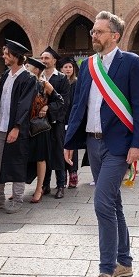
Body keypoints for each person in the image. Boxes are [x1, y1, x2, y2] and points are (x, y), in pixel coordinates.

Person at [65, 11, 139, 277]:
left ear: (114, 35)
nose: (94, 36)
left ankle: (106, 269)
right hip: (93, 142)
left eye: (99, 31)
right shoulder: (88, 65)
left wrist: (138, 144)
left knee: (102, 203)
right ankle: (124, 261)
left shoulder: (131, 63)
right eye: (93, 31)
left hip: (119, 145)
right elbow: (79, 105)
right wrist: (68, 143)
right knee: (114, 203)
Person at [0, 39, 37, 214]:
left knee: (16, 162)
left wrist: (17, 127)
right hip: (0, 127)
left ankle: (18, 199)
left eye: (7, 54)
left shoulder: (28, 78)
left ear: (15, 56)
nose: (4, 56)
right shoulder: (6, 75)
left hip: (15, 129)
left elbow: (25, 105)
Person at [25, 57, 63, 203]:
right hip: (25, 126)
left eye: (28, 66)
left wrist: (47, 107)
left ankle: (39, 189)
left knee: (40, 158)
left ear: (36, 70)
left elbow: (59, 100)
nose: (26, 68)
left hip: (40, 127)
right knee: (24, 157)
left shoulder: (43, 84)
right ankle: (19, 187)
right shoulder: (24, 82)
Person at [40, 47, 71, 199]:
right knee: (43, 153)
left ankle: (60, 185)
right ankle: (45, 185)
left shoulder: (61, 78)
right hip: (40, 122)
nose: (44, 61)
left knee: (58, 153)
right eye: (43, 58)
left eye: (47, 58)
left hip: (56, 121)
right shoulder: (38, 77)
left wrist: (49, 107)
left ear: (54, 60)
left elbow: (64, 102)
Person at [60, 57, 81, 188]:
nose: (68, 69)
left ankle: (73, 173)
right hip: (61, 120)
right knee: (61, 148)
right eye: (65, 67)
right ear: (61, 69)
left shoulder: (76, 83)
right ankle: (62, 175)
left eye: (70, 67)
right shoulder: (59, 83)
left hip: (72, 119)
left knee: (73, 148)